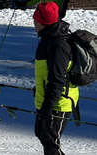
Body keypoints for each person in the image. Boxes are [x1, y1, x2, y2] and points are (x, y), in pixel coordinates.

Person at [31, 2, 78, 155]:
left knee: (50, 142)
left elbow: (57, 79)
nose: (33, 23)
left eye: (35, 20)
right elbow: (46, 73)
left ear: (41, 22)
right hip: (48, 99)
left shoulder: (58, 44)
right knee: (43, 135)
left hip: (58, 102)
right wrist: (39, 88)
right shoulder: (47, 40)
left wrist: (47, 107)